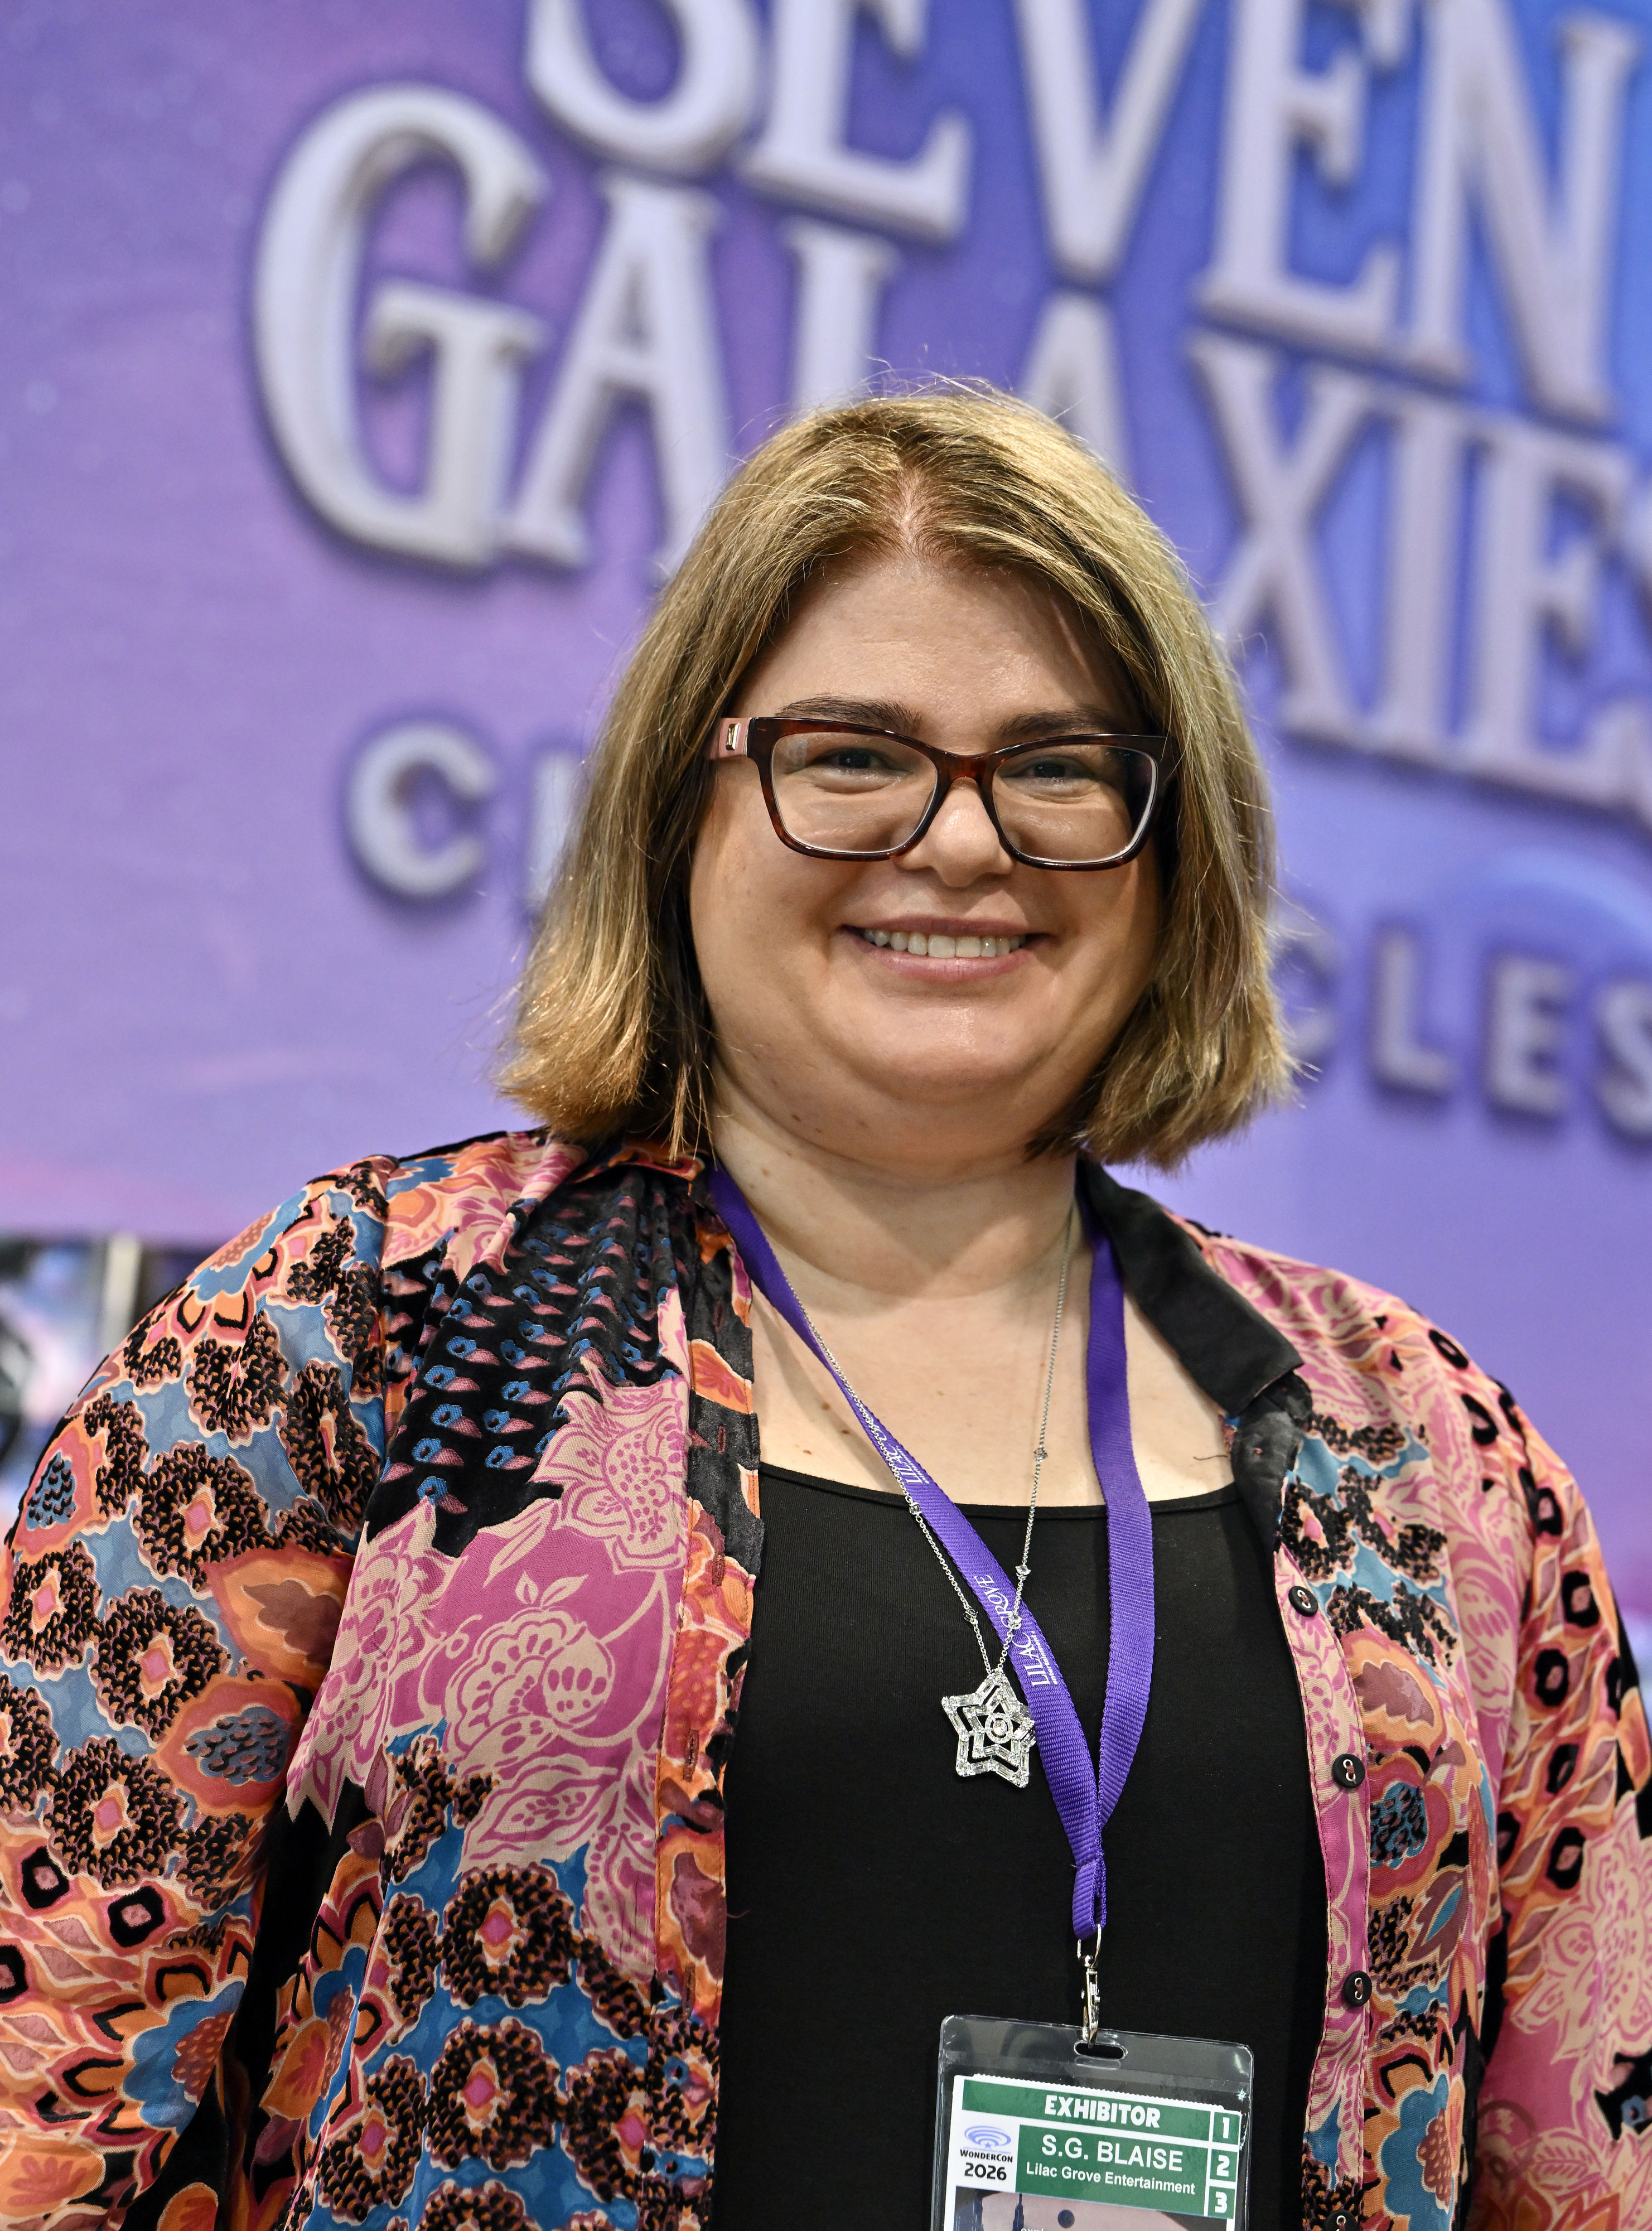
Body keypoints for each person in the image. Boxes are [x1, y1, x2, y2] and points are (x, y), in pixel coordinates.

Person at [0, 389, 1646, 2231]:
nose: (961, 841)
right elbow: (37, 2089)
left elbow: (1588, 2159)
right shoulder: (353, 1334)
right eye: (851, 754)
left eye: (1062, 767)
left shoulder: (1423, 1447)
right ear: (680, 804)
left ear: (1176, 849)